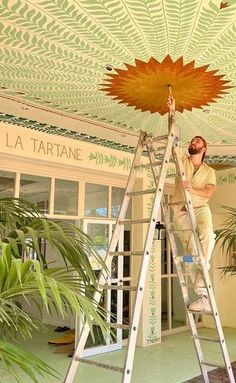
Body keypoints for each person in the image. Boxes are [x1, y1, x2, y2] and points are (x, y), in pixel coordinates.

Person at [167, 95, 216, 312]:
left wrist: (191, 188)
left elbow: (208, 193)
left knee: (207, 234)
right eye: (192, 141)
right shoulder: (181, 159)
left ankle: (202, 293)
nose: (193, 143)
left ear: (204, 149)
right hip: (182, 211)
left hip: (201, 209)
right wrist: (172, 112)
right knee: (192, 254)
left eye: (197, 142)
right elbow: (173, 138)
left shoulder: (210, 171)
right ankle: (203, 295)